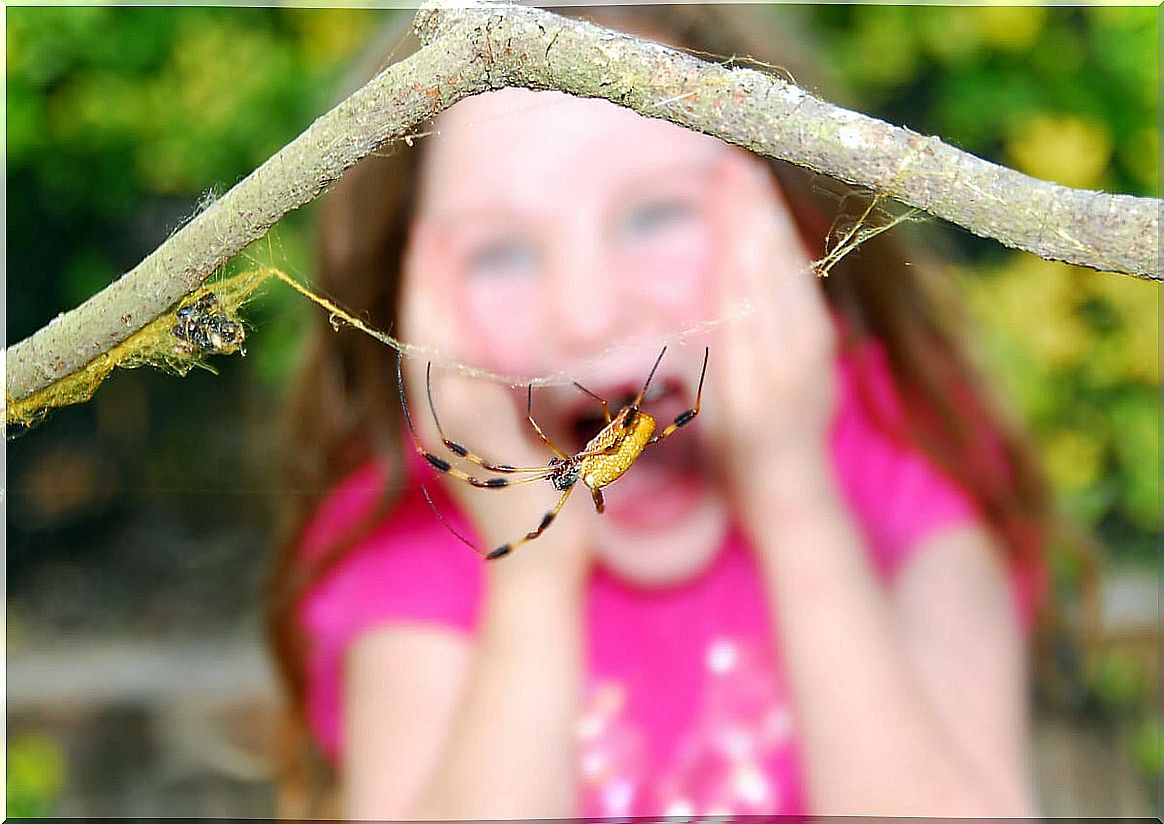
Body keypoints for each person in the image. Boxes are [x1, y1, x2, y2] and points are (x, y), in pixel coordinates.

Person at [267, 6, 1052, 819]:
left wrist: (792, 492)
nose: (586, 313)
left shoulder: (907, 450)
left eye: (656, 213)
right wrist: (532, 579)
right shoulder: (420, 530)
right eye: (500, 250)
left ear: (785, 211)